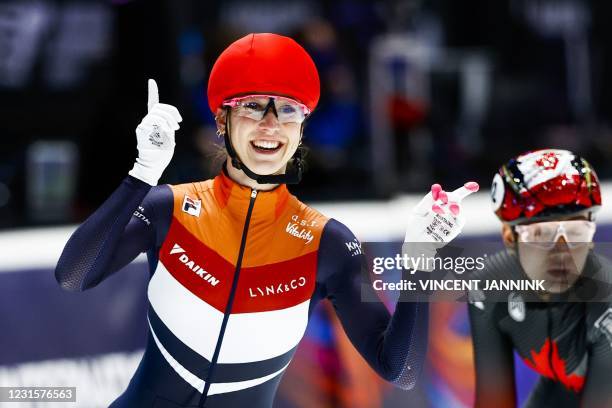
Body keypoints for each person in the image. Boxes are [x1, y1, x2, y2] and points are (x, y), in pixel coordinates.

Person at [55, 33, 476, 408]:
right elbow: (73, 276)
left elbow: (398, 371)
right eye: (253, 107)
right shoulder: (170, 209)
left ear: (302, 127)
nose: (270, 124)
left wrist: (421, 259)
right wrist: (141, 175)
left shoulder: (328, 244)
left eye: (288, 110)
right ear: (223, 121)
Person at [468, 149, 612, 408]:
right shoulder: (488, 288)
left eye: (576, 231)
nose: (562, 251)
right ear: (510, 237)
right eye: (542, 234)